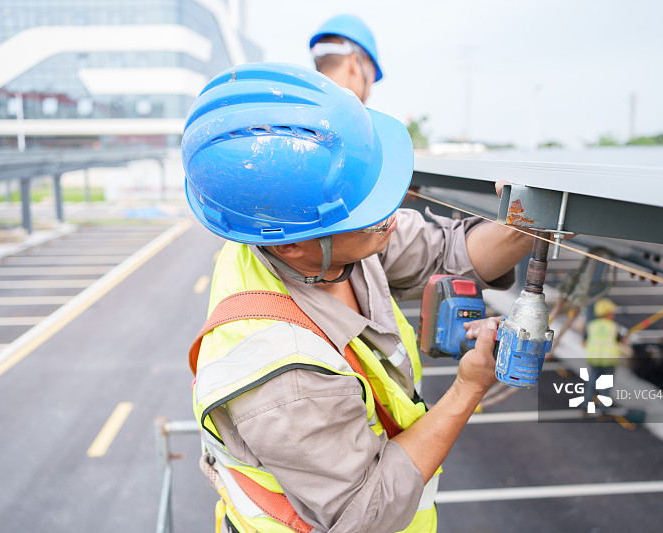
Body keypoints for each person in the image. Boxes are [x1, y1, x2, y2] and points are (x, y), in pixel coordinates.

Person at [184, 62, 534, 533]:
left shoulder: (308, 236)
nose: (391, 213)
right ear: (291, 243)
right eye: (368, 209)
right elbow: (364, 515)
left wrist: (527, 224)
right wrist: (469, 387)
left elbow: (449, 250)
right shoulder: (283, 380)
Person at [309, 14, 381, 104]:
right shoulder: (356, 117)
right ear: (356, 63)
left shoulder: (294, 106)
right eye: (372, 76)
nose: (369, 90)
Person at [582, 297, 624, 414]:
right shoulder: (614, 326)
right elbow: (619, 341)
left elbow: (584, 341)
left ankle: (586, 404)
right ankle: (603, 409)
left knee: (591, 381)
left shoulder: (591, 325)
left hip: (594, 358)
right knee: (606, 384)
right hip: (609, 359)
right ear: (608, 313)